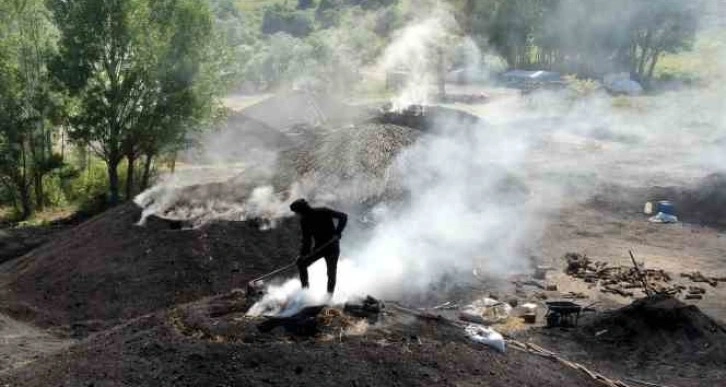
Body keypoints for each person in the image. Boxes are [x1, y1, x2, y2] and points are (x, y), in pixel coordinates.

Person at [289, 198, 347, 296]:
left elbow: (343, 217)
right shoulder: (304, 220)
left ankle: (328, 297)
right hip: (319, 248)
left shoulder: (323, 211)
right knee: (302, 264)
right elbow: (306, 240)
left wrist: (338, 232)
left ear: (301, 210)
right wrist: (302, 256)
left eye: (297, 212)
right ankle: (305, 294)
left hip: (332, 247)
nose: (297, 214)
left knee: (331, 272)